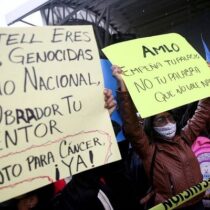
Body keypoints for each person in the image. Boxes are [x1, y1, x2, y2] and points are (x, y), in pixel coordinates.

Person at [112, 65, 210, 209]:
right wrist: (123, 87)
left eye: (170, 118)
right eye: (161, 120)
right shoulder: (149, 150)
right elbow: (132, 127)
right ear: (151, 125)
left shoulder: (184, 138)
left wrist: (206, 80)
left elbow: (202, 113)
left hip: (198, 204)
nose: (168, 122)